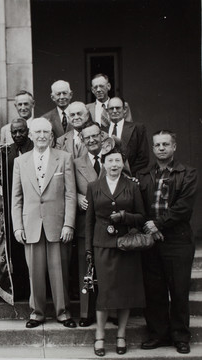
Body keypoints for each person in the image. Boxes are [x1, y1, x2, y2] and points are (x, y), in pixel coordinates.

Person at [11, 117, 77, 329]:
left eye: (45, 133)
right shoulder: (20, 162)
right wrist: (18, 226)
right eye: (37, 132)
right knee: (35, 273)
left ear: (51, 136)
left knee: (59, 272)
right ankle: (37, 312)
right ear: (30, 135)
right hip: (31, 225)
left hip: (57, 224)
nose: (41, 136)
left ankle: (63, 312)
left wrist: (69, 224)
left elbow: (70, 195)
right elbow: (16, 198)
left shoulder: (64, 158)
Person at [138, 130, 197, 355]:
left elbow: (183, 207)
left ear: (174, 147)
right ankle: (158, 335)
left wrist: (159, 225)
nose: (161, 148)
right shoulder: (144, 175)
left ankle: (181, 336)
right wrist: (150, 228)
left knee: (179, 290)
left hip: (178, 240)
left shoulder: (188, 173)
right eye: (157, 145)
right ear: (153, 149)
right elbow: (139, 205)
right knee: (154, 291)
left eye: (165, 144)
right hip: (151, 239)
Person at [85, 142, 146, 357]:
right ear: (103, 163)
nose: (113, 164)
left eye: (117, 161)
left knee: (125, 291)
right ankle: (100, 337)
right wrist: (89, 250)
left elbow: (141, 217)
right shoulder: (93, 186)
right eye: (109, 160)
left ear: (123, 164)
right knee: (105, 292)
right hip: (102, 245)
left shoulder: (132, 185)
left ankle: (121, 335)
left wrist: (124, 217)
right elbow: (89, 220)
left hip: (126, 246)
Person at [73, 121, 104, 327]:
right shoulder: (76, 163)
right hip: (87, 223)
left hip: (110, 224)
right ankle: (86, 312)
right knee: (86, 269)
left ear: (101, 136)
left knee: (108, 270)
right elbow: (67, 188)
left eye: (95, 136)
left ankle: (109, 311)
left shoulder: (114, 159)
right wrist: (76, 196)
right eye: (87, 137)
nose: (92, 140)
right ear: (82, 141)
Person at [1, 118, 33, 301]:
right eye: (14, 132)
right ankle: (19, 290)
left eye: (21, 131)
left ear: (27, 131)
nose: (18, 135)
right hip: (13, 207)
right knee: (16, 251)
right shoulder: (8, 151)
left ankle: (34, 290)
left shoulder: (34, 148)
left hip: (32, 205)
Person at [106, 97, 149, 176]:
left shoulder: (137, 128)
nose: (115, 111)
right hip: (107, 178)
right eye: (111, 108)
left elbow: (143, 158)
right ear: (107, 111)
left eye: (118, 108)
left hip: (130, 177)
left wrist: (125, 174)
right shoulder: (102, 131)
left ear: (124, 110)